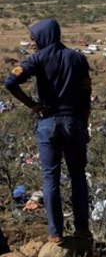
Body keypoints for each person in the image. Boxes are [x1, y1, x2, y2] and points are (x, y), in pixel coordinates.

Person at [4, 18, 92, 244]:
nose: (32, 43)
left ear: (45, 36)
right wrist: (84, 125)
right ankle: (82, 229)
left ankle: (55, 233)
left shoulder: (37, 59)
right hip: (73, 122)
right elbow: (86, 97)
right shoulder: (78, 58)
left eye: (34, 38)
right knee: (78, 176)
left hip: (48, 122)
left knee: (50, 178)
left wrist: (31, 104)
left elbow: (10, 82)